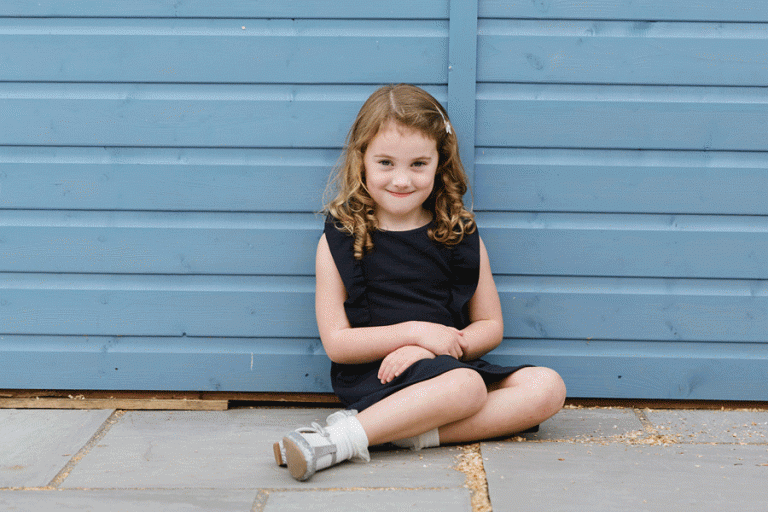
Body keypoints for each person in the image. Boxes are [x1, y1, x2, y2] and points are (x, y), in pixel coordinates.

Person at [274, 84, 566, 481]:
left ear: (439, 163)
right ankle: (338, 441)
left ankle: (393, 435)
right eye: (385, 163)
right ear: (362, 160)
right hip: (379, 374)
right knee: (467, 388)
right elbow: (338, 344)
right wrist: (416, 336)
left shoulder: (459, 232)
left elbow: (491, 326)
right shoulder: (340, 237)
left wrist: (436, 348)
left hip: (446, 363)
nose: (401, 179)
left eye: (417, 164)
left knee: (547, 386)